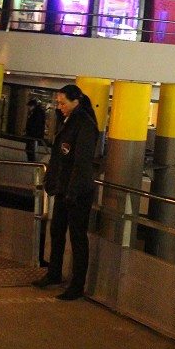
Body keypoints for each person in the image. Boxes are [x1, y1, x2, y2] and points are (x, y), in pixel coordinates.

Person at [33, 84, 99, 300]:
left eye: (63, 103)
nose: (59, 106)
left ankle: (77, 285)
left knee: (78, 237)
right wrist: (51, 179)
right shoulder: (69, 121)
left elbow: (81, 162)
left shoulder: (84, 124)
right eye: (58, 102)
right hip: (64, 187)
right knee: (57, 231)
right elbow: (59, 156)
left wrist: (72, 190)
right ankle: (54, 273)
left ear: (75, 101)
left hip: (77, 191)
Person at [25, 98, 46, 162]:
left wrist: (31, 134)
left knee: (31, 150)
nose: (29, 108)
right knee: (30, 150)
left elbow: (36, 125)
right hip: (33, 136)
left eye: (29, 106)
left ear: (33, 106)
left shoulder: (36, 113)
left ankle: (31, 162)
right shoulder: (38, 112)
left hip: (33, 136)